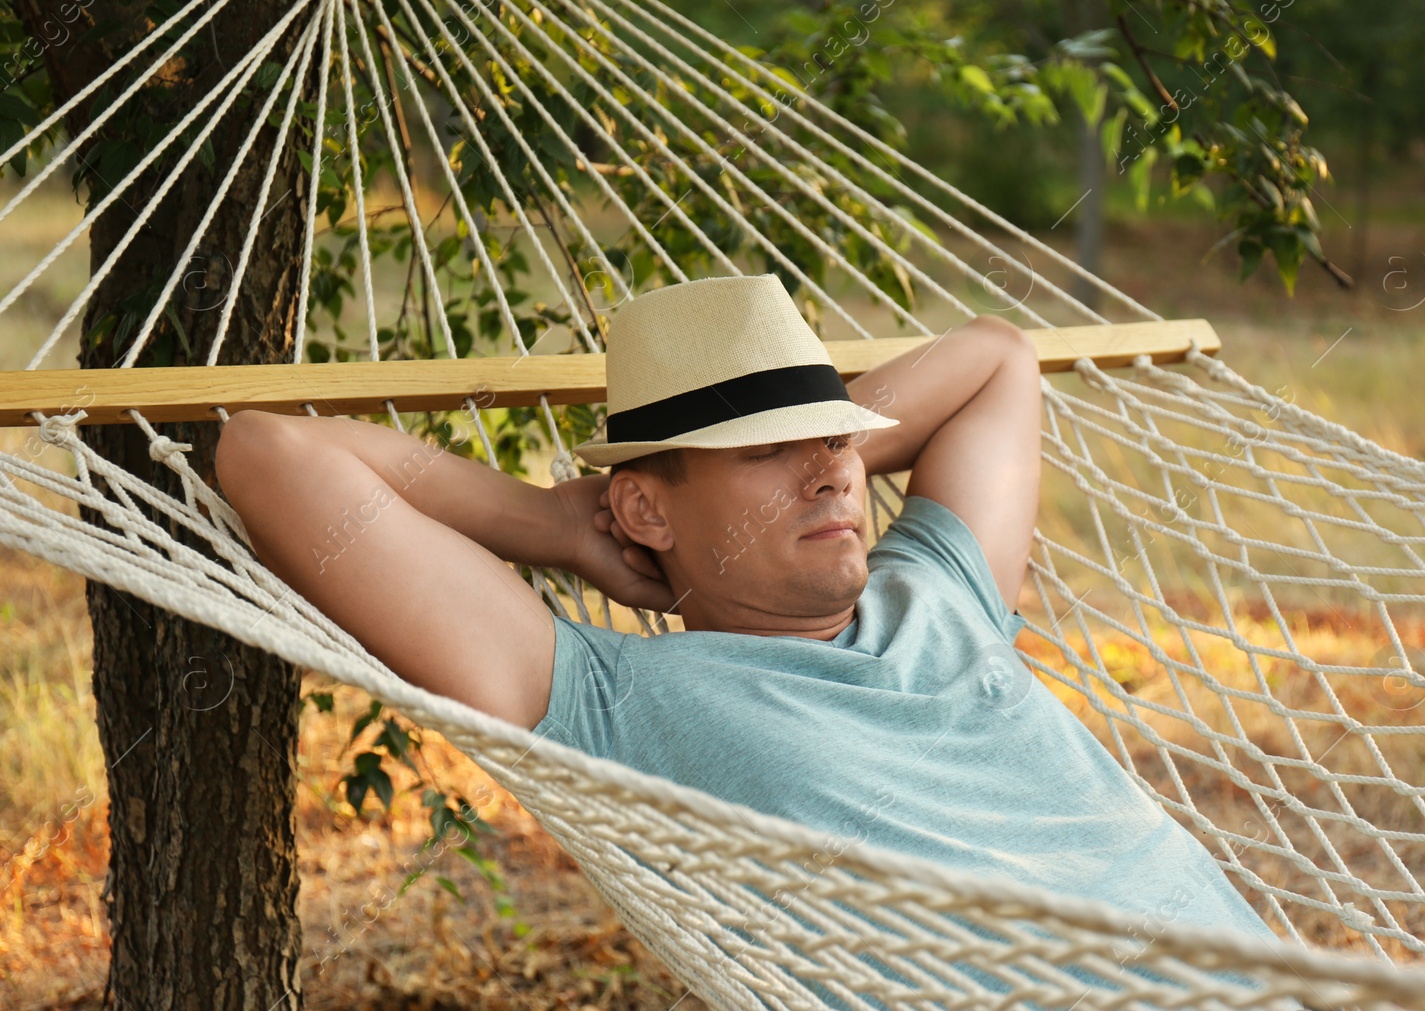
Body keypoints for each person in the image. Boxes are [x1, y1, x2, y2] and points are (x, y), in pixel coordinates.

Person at [215, 274, 1278, 1005]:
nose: (834, 471)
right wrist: (552, 524)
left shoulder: (939, 586)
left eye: (840, 443)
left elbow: (996, 358)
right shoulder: (608, 699)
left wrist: (799, 442)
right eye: (768, 450)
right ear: (645, 510)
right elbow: (267, 455)